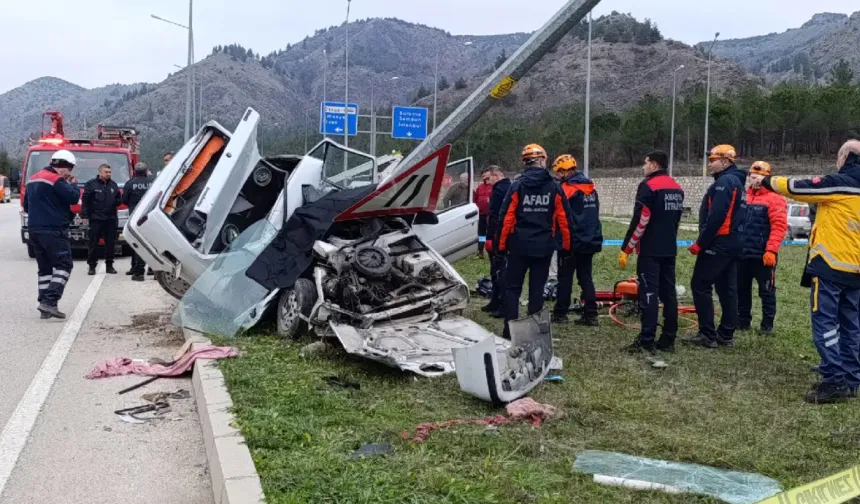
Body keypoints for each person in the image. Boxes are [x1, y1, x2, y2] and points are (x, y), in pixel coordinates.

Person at [762, 140, 860, 404]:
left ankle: (833, 379)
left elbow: (798, 188)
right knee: (851, 325)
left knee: (825, 322)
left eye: (839, 155)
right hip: (856, 270)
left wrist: (766, 181)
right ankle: (851, 378)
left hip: (831, 266)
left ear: (846, 157)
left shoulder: (841, 182)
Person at [498, 144, 573, 338]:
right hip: (544, 247)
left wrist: (501, 245)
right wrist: (565, 245)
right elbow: (564, 218)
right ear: (541, 160)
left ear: (526, 162)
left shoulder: (517, 185)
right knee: (536, 290)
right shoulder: (554, 187)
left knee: (512, 289)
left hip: (518, 246)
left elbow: (506, 218)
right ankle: (532, 332)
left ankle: (509, 331)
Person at [619, 151, 685, 352]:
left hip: (650, 250)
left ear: (655, 165)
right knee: (669, 295)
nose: (643, 166)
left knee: (648, 294)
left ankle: (646, 340)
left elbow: (641, 220)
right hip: (669, 248)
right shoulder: (677, 188)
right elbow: (675, 220)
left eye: (645, 163)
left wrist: (626, 249)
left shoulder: (648, 186)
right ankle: (668, 339)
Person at [684, 144, 747, 349]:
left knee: (700, 284)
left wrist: (701, 243)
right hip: (732, 242)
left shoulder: (726, 182)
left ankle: (707, 334)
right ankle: (726, 333)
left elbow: (717, 216)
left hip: (719, 243)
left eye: (713, 160)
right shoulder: (736, 181)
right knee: (727, 288)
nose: (710, 164)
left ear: (727, 161)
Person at [23, 150, 80, 319]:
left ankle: (43, 303)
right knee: (64, 265)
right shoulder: (56, 179)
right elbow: (73, 198)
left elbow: (27, 206)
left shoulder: (33, 179)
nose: (69, 173)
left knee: (45, 269)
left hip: (34, 229)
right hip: (54, 230)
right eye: (69, 169)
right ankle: (50, 301)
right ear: (63, 166)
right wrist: (73, 184)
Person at [551, 154, 603, 326]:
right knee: (585, 277)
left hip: (572, 241)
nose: (557, 176)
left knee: (565, 278)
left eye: (558, 172)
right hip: (590, 239)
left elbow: (560, 216)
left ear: (565, 171)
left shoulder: (567, 190)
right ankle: (591, 314)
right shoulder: (591, 188)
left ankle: (560, 313)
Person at [738, 161, 787, 336]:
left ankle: (767, 325)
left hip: (763, 255)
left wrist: (771, 250)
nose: (754, 178)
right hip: (742, 254)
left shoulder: (776, 199)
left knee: (766, 291)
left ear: (767, 177)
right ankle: (742, 321)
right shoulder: (744, 196)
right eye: (752, 175)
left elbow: (779, 227)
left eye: (758, 175)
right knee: (741, 290)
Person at [81, 163, 122, 275]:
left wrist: (114, 202)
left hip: (111, 218)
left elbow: (119, 199)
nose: (108, 174)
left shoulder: (113, 185)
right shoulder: (91, 184)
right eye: (106, 172)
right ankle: (92, 266)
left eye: (109, 172)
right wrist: (84, 216)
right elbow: (85, 201)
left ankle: (109, 265)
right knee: (93, 243)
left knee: (110, 243)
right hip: (96, 219)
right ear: (100, 172)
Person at [483, 166, 511, 318]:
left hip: (499, 235)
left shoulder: (500, 189)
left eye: (487, 178)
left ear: (496, 175)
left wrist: (489, 236)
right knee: (497, 270)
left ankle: (500, 303)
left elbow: (494, 216)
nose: (486, 183)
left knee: (499, 271)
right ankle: (495, 301)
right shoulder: (511, 187)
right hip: (504, 235)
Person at [123, 162, 154, 281]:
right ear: (147, 171)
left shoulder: (130, 184)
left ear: (135, 171)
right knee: (152, 243)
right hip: (150, 217)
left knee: (138, 244)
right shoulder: (153, 183)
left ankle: (138, 272)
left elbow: (124, 200)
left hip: (136, 218)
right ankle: (153, 269)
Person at [474, 167, 496, 258]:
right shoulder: (480, 187)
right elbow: (475, 200)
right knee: (481, 234)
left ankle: (493, 251)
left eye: (486, 176)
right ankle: (480, 251)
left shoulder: (494, 187)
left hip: (490, 215)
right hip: (481, 215)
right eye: (483, 176)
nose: (485, 178)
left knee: (492, 233)